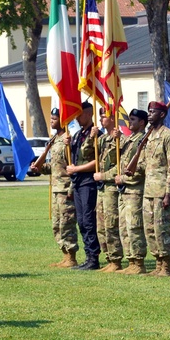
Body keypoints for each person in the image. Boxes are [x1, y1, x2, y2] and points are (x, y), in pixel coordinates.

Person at [135, 100, 170, 277]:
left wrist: (169, 192)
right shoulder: (149, 136)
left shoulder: (168, 136)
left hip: (162, 191)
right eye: (149, 111)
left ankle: (166, 266)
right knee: (150, 229)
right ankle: (158, 264)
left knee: (162, 229)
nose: (149, 114)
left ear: (162, 114)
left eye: (153, 112)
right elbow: (146, 163)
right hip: (148, 191)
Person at [31, 108, 78, 268]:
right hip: (56, 188)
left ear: (63, 120)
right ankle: (65, 256)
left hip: (65, 189)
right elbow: (56, 166)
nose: (51, 121)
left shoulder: (68, 139)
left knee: (67, 223)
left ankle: (71, 257)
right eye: (50, 118)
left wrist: (71, 189)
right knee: (57, 224)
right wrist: (41, 168)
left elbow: (72, 165)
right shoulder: (54, 140)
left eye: (54, 118)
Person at [65, 102, 100, 270]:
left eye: (79, 115)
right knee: (81, 221)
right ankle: (88, 257)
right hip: (78, 182)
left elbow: (98, 162)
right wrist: (68, 145)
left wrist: (76, 169)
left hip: (89, 182)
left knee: (88, 220)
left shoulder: (96, 134)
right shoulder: (78, 135)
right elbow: (73, 158)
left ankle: (94, 258)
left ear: (88, 114)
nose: (76, 119)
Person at [114, 110, 149, 274]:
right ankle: (131, 261)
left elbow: (141, 168)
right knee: (124, 227)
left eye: (133, 120)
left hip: (135, 190)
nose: (130, 122)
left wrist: (124, 179)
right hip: (124, 191)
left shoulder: (143, 140)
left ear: (142, 122)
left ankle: (139, 262)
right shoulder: (130, 140)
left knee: (134, 226)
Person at [91, 108, 123, 272]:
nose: (101, 119)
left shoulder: (120, 139)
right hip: (102, 188)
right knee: (101, 225)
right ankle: (109, 258)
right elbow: (88, 154)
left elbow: (122, 164)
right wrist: (92, 137)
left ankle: (116, 259)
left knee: (111, 224)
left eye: (104, 116)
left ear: (112, 119)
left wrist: (104, 176)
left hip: (111, 186)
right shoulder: (102, 139)